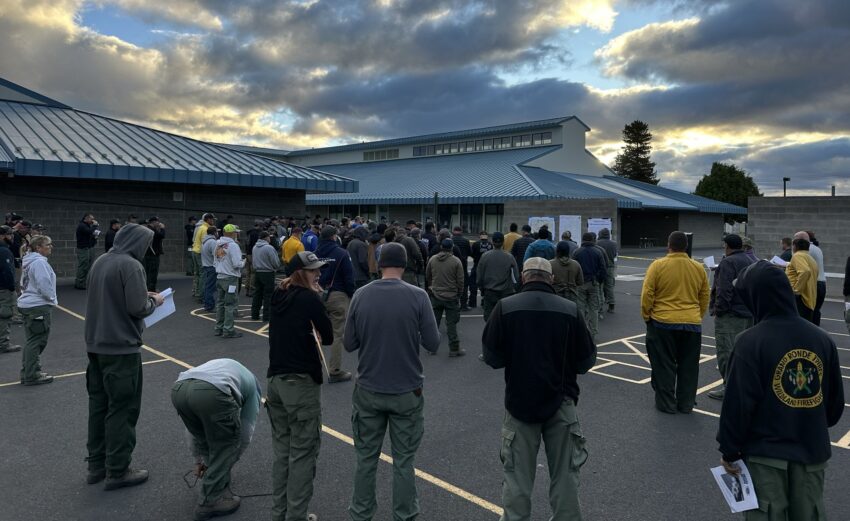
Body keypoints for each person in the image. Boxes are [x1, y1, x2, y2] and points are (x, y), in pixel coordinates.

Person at [717, 260, 844, 521]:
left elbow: (738, 405)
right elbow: (833, 408)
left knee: (767, 514)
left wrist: (729, 450)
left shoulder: (749, 342)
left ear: (756, 297)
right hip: (812, 453)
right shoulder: (822, 339)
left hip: (766, 457)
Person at [482, 257, 596, 521]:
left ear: (523, 277)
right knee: (566, 475)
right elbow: (587, 361)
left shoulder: (505, 307)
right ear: (551, 278)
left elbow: (492, 357)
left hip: (519, 402)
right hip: (562, 401)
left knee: (517, 478)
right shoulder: (569, 309)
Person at [344, 242, 440, 521]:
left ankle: (361, 514)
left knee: (365, 458)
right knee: (404, 461)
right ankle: (405, 514)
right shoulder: (418, 296)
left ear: (379, 263)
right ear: (405, 263)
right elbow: (433, 342)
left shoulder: (361, 295)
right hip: (406, 390)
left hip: (368, 388)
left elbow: (349, 343)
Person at [85, 223, 165, 489]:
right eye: (146, 244)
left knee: (99, 407)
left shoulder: (102, 260)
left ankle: (96, 465)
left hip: (96, 345)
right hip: (121, 349)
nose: (148, 249)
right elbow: (137, 307)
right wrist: (154, 301)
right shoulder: (131, 265)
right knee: (123, 409)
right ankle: (118, 470)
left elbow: (110, 295)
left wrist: (144, 295)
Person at [267, 251, 334, 521]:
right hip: (300, 382)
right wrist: (318, 297)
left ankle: (279, 514)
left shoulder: (278, 295)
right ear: (300, 273)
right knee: (304, 453)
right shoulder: (309, 298)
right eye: (313, 270)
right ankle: (296, 515)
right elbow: (327, 336)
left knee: (283, 452)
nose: (318, 273)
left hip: (275, 380)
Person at [171, 359, 262, 520]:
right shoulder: (253, 389)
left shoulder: (228, 370)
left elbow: (194, 432)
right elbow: (244, 435)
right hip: (211, 391)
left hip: (179, 388)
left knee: (205, 434)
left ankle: (210, 479)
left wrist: (198, 460)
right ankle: (209, 502)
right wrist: (226, 462)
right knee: (227, 443)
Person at [641, 231, 710, 414]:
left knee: (664, 365)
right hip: (692, 323)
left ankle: (667, 404)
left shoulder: (658, 265)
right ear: (686, 246)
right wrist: (697, 315)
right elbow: (704, 296)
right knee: (689, 366)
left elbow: (647, 294)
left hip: (663, 322)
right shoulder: (698, 268)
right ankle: (686, 403)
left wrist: (647, 315)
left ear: (668, 245)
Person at [707, 234, 755, 400]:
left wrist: (719, 310)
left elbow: (724, 289)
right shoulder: (750, 260)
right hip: (748, 313)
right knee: (743, 353)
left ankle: (729, 387)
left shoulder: (728, 262)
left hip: (731, 314)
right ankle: (743, 386)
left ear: (727, 246)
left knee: (726, 352)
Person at [316, 226, 355, 383]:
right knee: (337, 333)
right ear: (333, 237)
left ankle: (313, 368)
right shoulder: (341, 253)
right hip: (337, 293)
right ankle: (335, 370)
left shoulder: (315, 254)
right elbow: (349, 277)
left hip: (317, 294)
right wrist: (351, 294)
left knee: (315, 333)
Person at [17, 235, 58, 386]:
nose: (50, 247)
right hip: (37, 306)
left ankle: (30, 370)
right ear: (38, 248)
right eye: (48, 244)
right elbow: (44, 285)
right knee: (37, 341)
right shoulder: (39, 263)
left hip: (28, 304)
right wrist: (51, 298)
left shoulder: (30, 261)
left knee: (32, 341)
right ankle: (31, 374)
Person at [426, 238, 465, 357]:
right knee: (451, 324)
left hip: (436, 295)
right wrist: (459, 294)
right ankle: (454, 349)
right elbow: (460, 281)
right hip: (451, 296)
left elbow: (428, 275)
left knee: (434, 323)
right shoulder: (456, 261)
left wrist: (431, 287)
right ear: (452, 247)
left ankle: (432, 348)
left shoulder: (433, 259)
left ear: (441, 247)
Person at [475, 232, 518, 321]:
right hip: (506, 292)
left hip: (490, 291)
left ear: (492, 242)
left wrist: (481, 288)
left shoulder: (485, 256)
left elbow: (480, 276)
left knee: (489, 319)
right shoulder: (509, 257)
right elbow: (516, 276)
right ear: (503, 242)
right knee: (504, 318)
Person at [572, 233, 607, 339]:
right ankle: (593, 332)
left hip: (580, 283)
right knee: (594, 309)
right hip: (593, 282)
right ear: (592, 240)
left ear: (583, 240)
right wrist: (599, 281)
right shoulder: (598, 252)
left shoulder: (576, 252)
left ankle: (582, 331)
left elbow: (573, 267)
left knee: (581, 308)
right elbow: (603, 268)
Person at [214, 224, 244, 338]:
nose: (237, 234)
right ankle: (228, 330)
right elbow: (237, 264)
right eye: (236, 232)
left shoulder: (217, 243)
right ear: (232, 233)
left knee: (220, 303)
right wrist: (243, 262)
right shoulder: (233, 245)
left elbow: (215, 260)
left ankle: (219, 328)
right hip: (230, 278)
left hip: (220, 276)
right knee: (230, 304)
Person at [251, 231, 281, 322]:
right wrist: (276, 267)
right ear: (266, 238)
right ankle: (267, 316)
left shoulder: (255, 247)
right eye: (269, 237)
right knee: (268, 295)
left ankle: (254, 314)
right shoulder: (269, 248)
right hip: (268, 273)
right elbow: (275, 262)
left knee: (257, 294)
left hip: (258, 272)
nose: (270, 239)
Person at [785, 237, 818, 322]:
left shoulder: (798, 256)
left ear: (795, 246)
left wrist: (796, 290)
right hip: (809, 299)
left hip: (800, 299)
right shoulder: (810, 258)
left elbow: (805, 271)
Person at [0, 226, 20, 355]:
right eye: (9, 234)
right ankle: (3, 344)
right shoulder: (4, 251)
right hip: (4, 289)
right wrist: (12, 287)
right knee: (5, 315)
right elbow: (7, 272)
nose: (12, 237)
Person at [800, 231, 827, 326]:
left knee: (809, 310)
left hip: (814, 283)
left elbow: (803, 268)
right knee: (816, 311)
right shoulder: (818, 249)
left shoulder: (807, 250)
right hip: (822, 283)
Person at [193, 213, 216, 303]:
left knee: (198, 274)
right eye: (212, 219)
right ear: (208, 220)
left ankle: (198, 292)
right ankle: (201, 295)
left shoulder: (200, 227)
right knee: (203, 275)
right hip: (199, 252)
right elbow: (205, 243)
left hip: (195, 250)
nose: (213, 221)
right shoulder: (205, 229)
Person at [596, 228, 618, 313]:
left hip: (600, 267)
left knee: (599, 287)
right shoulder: (614, 244)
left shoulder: (597, 243)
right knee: (609, 286)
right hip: (610, 266)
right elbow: (615, 254)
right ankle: (611, 305)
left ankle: (600, 307)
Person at [450, 226, 472, 310]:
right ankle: (463, 305)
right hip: (463, 265)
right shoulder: (466, 241)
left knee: (452, 283)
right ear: (461, 231)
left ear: (453, 231)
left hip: (451, 265)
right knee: (464, 284)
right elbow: (470, 253)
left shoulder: (451, 240)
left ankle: (454, 303)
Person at [75, 213, 99, 289]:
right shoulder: (82, 225)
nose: (93, 220)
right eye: (91, 219)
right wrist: (95, 225)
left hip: (88, 248)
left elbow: (90, 234)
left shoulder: (87, 226)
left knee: (88, 265)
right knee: (83, 266)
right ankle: (80, 284)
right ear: (86, 218)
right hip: (83, 249)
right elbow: (89, 232)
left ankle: (84, 282)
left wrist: (95, 236)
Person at [142, 216, 166, 292]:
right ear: (153, 222)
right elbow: (161, 236)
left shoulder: (150, 229)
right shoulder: (151, 230)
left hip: (151, 254)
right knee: (152, 273)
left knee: (149, 273)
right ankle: (151, 290)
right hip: (152, 255)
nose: (159, 223)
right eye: (157, 222)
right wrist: (162, 228)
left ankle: (149, 288)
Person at [201, 226, 218, 312]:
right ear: (214, 232)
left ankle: (207, 304)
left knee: (208, 286)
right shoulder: (212, 242)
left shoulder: (205, 241)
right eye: (217, 232)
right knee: (210, 287)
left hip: (206, 266)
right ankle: (209, 305)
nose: (218, 233)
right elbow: (216, 255)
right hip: (212, 267)